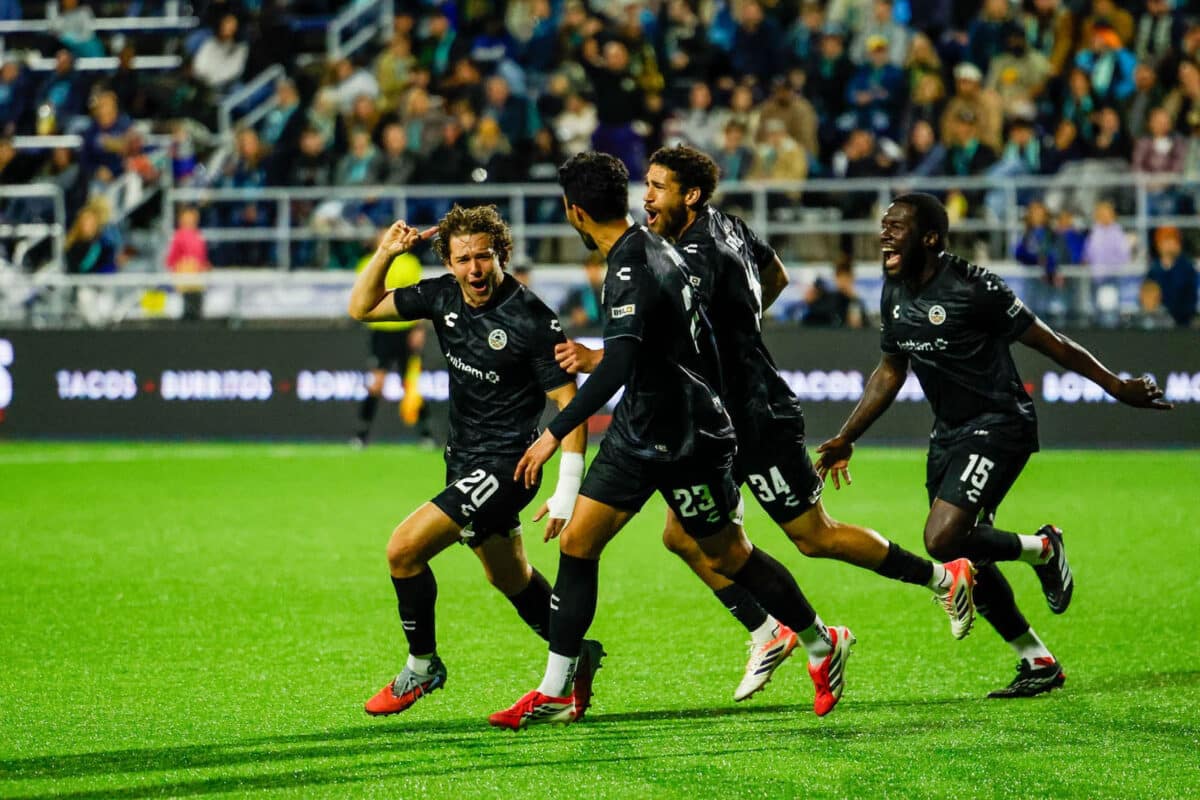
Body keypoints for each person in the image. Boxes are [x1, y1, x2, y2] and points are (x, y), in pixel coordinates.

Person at [559, 146, 976, 704]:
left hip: (754, 415)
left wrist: (609, 357)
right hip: (713, 416)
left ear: (691, 195)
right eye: (647, 185)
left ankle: (942, 579)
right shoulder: (727, 226)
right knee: (682, 537)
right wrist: (740, 334)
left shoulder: (692, 255)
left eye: (658, 188)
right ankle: (769, 632)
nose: (647, 199)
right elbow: (774, 274)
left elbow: (671, 336)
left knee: (814, 536)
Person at [489, 152, 855, 730]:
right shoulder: (654, 248)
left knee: (729, 555)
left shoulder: (634, 264)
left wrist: (550, 436)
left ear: (574, 212)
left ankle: (819, 639)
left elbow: (616, 366)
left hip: (687, 439)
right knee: (578, 545)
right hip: (643, 430)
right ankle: (556, 689)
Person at [815, 193, 1172, 698]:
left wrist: (1116, 387)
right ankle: (1037, 660)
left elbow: (1051, 342)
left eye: (898, 226)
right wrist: (849, 435)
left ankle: (1044, 548)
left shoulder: (974, 287)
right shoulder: (893, 290)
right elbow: (891, 368)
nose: (885, 234)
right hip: (949, 434)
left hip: (1000, 423)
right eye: (883, 225)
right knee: (967, 556)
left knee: (942, 539)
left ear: (931, 238)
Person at [347, 206, 598, 718]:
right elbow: (362, 307)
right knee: (510, 577)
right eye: (463, 258)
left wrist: (567, 490)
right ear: (449, 260)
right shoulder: (440, 294)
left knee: (403, 551)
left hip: (509, 465)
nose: (475, 269)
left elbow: (571, 407)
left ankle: (422, 666)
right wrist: (386, 253)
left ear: (501, 255)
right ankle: (578, 654)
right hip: (462, 459)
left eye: (484, 256)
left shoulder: (529, 317)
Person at [351, 240, 433, 448]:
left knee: (410, 385)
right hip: (381, 331)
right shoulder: (367, 263)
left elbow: (419, 297)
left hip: (405, 330)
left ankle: (425, 434)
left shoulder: (410, 263)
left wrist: (418, 328)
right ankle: (362, 434)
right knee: (376, 384)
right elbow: (363, 294)